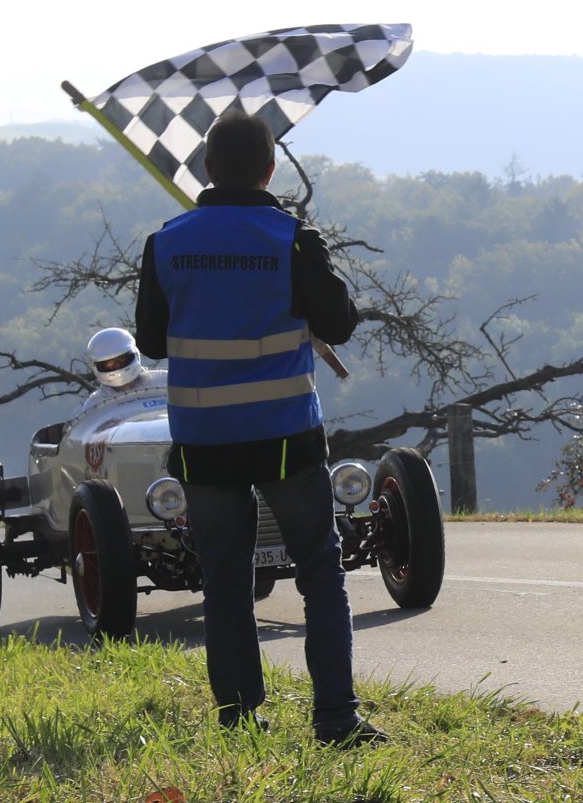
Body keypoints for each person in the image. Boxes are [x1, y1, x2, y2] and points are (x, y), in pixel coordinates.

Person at [134, 109, 383, 748]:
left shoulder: (166, 242)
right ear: (270, 170)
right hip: (285, 436)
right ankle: (336, 719)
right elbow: (341, 321)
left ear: (207, 167)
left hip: (204, 441)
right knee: (319, 572)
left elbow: (152, 341)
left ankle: (240, 719)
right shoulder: (292, 239)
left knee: (225, 580)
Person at [76, 327, 165, 416]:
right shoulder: (94, 405)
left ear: (134, 353)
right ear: (98, 365)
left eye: (122, 359)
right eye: (109, 363)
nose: (117, 366)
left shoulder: (163, 381)